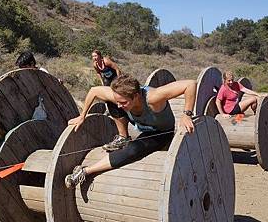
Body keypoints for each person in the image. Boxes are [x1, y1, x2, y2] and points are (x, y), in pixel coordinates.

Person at [64, 74, 197, 189]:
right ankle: (123, 137)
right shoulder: (121, 99)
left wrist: (186, 114)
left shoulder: (153, 98)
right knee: (110, 102)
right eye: (119, 101)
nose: (119, 105)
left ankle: (85, 171)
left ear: (136, 96)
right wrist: (82, 116)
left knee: (133, 150)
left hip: (160, 133)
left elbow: (190, 84)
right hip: (142, 124)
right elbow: (94, 91)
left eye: (124, 102)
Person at [91, 50, 130, 151]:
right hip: (108, 80)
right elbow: (99, 73)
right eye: (93, 57)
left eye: (95, 56)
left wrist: (119, 80)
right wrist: (102, 82)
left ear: (100, 56)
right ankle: (112, 110)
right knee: (108, 97)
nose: (94, 58)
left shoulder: (106, 61)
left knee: (118, 94)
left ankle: (124, 110)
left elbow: (117, 68)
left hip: (115, 78)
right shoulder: (95, 65)